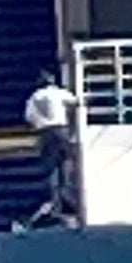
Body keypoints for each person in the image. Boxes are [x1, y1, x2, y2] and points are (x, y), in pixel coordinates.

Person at [24, 71, 77, 221]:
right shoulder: (58, 93)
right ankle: (68, 195)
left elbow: (29, 117)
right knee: (66, 162)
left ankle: (55, 201)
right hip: (61, 129)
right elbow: (75, 102)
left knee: (50, 167)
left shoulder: (34, 97)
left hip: (45, 133)